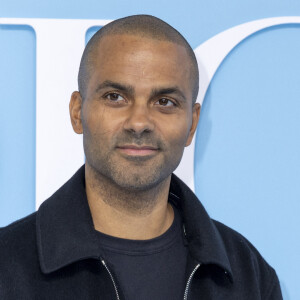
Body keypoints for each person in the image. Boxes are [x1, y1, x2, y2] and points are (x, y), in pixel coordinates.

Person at [0, 15, 282, 299]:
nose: (139, 122)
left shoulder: (248, 275)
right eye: (115, 97)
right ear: (77, 112)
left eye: (165, 102)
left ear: (192, 125)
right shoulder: (6, 266)